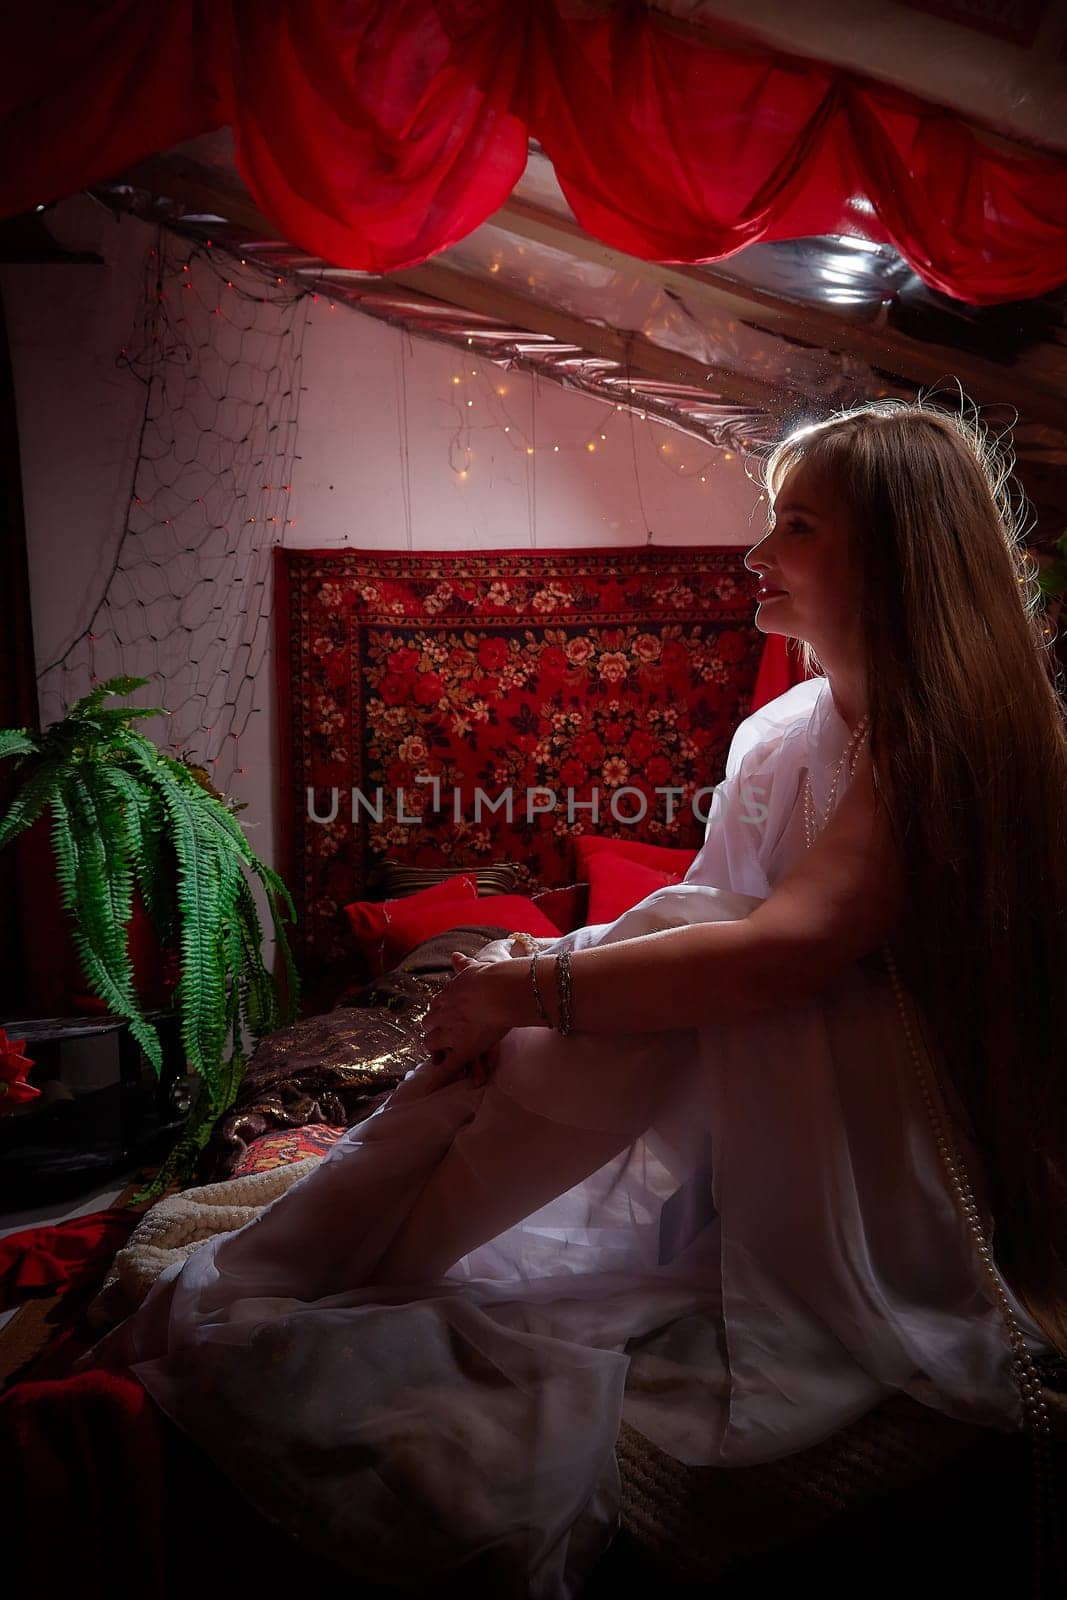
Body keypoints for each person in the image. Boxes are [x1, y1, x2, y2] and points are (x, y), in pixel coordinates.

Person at [85, 398, 1066, 1597]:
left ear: (895, 556)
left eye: (793, 527)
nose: (753, 556)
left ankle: (377, 1246)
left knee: (600, 997)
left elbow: (783, 950)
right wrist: (527, 979)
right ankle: (378, 1226)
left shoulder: (940, 739)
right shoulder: (783, 731)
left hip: (887, 1134)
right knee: (580, 996)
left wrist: (539, 986)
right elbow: (707, 919)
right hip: (758, 1079)